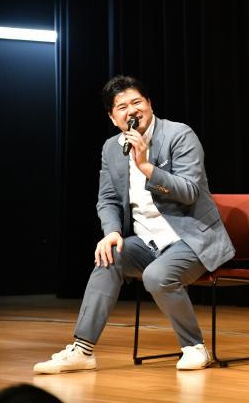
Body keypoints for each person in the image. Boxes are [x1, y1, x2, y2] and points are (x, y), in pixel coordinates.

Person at [34, 75, 235, 374]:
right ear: (112, 117)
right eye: (122, 107)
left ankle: (195, 347)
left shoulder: (179, 135)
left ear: (149, 104)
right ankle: (82, 350)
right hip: (148, 242)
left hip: (191, 238)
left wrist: (146, 167)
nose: (131, 111)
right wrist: (112, 233)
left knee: (156, 275)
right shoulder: (111, 148)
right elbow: (107, 199)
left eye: (137, 102)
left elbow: (191, 191)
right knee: (108, 256)